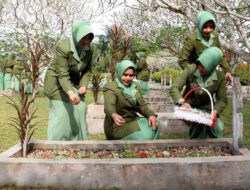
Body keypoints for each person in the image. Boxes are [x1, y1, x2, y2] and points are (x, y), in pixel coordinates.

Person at [44, 20, 94, 141]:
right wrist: (70, 93)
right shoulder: (64, 47)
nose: (86, 41)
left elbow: (88, 69)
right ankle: (56, 144)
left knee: (80, 107)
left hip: (73, 81)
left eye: (88, 38)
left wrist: (83, 85)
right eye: (83, 38)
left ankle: (77, 143)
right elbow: (62, 74)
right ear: (76, 34)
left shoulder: (90, 48)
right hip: (56, 81)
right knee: (62, 112)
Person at [170, 47, 227, 139]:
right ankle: (196, 146)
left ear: (212, 65)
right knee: (198, 123)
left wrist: (215, 111)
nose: (200, 68)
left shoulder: (220, 76)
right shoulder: (191, 69)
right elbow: (174, 88)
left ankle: (214, 147)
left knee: (217, 127)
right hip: (190, 108)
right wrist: (182, 102)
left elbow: (222, 99)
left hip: (208, 109)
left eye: (204, 66)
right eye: (199, 64)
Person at [103, 60, 161, 140]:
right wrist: (114, 115)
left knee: (156, 123)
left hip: (132, 120)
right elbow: (109, 106)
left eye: (131, 75)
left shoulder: (135, 86)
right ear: (119, 73)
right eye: (125, 75)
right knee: (146, 136)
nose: (128, 78)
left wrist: (150, 115)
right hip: (118, 125)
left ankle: (149, 149)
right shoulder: (111, 87)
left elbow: (141, 105)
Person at [179, 11, 233, 84]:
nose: (208, 30)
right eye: (205, 27)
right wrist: (196, 72)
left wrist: (227, 71)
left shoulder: (215, 37)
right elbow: (182, 60)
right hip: (196, 79)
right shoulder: (192, 39)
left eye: (211, 27)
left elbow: (220, 56)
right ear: (200, 25)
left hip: (212, 78)